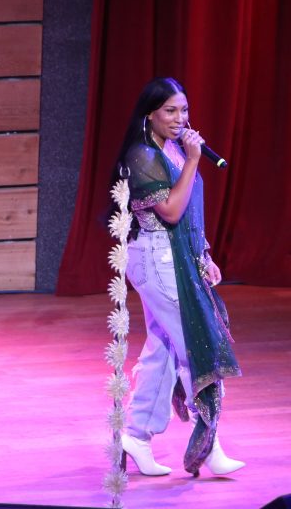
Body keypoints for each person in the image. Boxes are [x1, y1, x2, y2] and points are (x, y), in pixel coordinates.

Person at [114, 77, 245, 477]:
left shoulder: (171, 148)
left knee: (165, 348)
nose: (179, 118)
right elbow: (170, 211)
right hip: (157, 259)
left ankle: (136, 435)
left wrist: (203, 253)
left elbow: (189, 211)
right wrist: (192, 161)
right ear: (150, 114)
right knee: (197, 346)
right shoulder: (142, 155)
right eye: (169, 110)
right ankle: (210, 447)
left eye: (183, 110)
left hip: (177, 256)